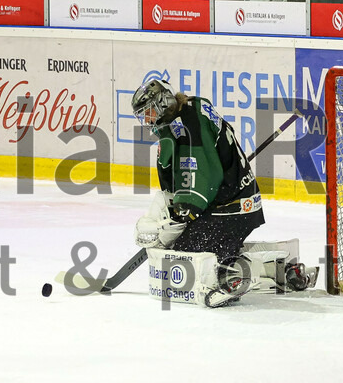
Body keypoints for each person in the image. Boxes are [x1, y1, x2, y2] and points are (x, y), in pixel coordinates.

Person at [130, 80, 311, 307]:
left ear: (164, 103)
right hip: (231, 200)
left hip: (234, 208)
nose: (147, 120)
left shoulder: (189, 129)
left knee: (184, 255)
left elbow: (203, 175)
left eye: (149, 112)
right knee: (200, 248)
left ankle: (233, 275)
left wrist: (186, 210)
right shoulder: (189, 109)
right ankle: (278, 268)